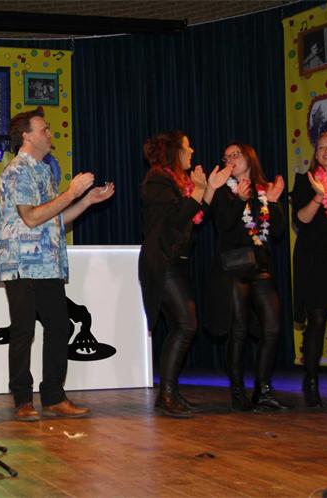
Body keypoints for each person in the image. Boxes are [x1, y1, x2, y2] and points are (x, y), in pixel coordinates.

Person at [0, 106, 115, 422]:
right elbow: (31, 217)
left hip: (48, 264)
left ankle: (53, 396)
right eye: (44, 129)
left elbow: (55, 218)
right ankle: (23, 399)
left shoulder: (45, 171)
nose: (50, 134)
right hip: (22, 263)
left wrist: (86, 200)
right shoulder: (16, 171)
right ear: (26, 136)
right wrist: (71, 192)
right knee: (23, 330)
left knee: (59, 326)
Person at [139, 130, 229, 418]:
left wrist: (208, 188)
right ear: (174, 152)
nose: (192, 152)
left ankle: (170, 392)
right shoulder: (158, 180)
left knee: (182, 324)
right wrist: (200, 190)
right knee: (186, 324)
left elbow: (195, 216)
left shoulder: (179, 182)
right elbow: (177, 219)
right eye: (187, 148)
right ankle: (166, 394)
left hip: (175, 261)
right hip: (162, 261)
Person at [207, 142, 289, 411]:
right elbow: (223, 225)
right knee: (239, 329)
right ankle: (237, 390)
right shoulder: (222, 189)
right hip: (234, 267)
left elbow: (277, 232)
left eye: (236, 154)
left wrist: (274, 202)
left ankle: (263, 389)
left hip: (261, 267)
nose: (230, 159)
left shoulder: (263, 190)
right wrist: (239, 200)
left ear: (249, 157)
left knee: (272, 327)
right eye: (226, 156)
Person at [291, 131, 327, 407]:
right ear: (315, 153)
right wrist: (319, 197)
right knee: (317, 319)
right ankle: (311, 381)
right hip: (313, 258)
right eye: (321, 147)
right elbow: (301, 220)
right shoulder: (305, 181)